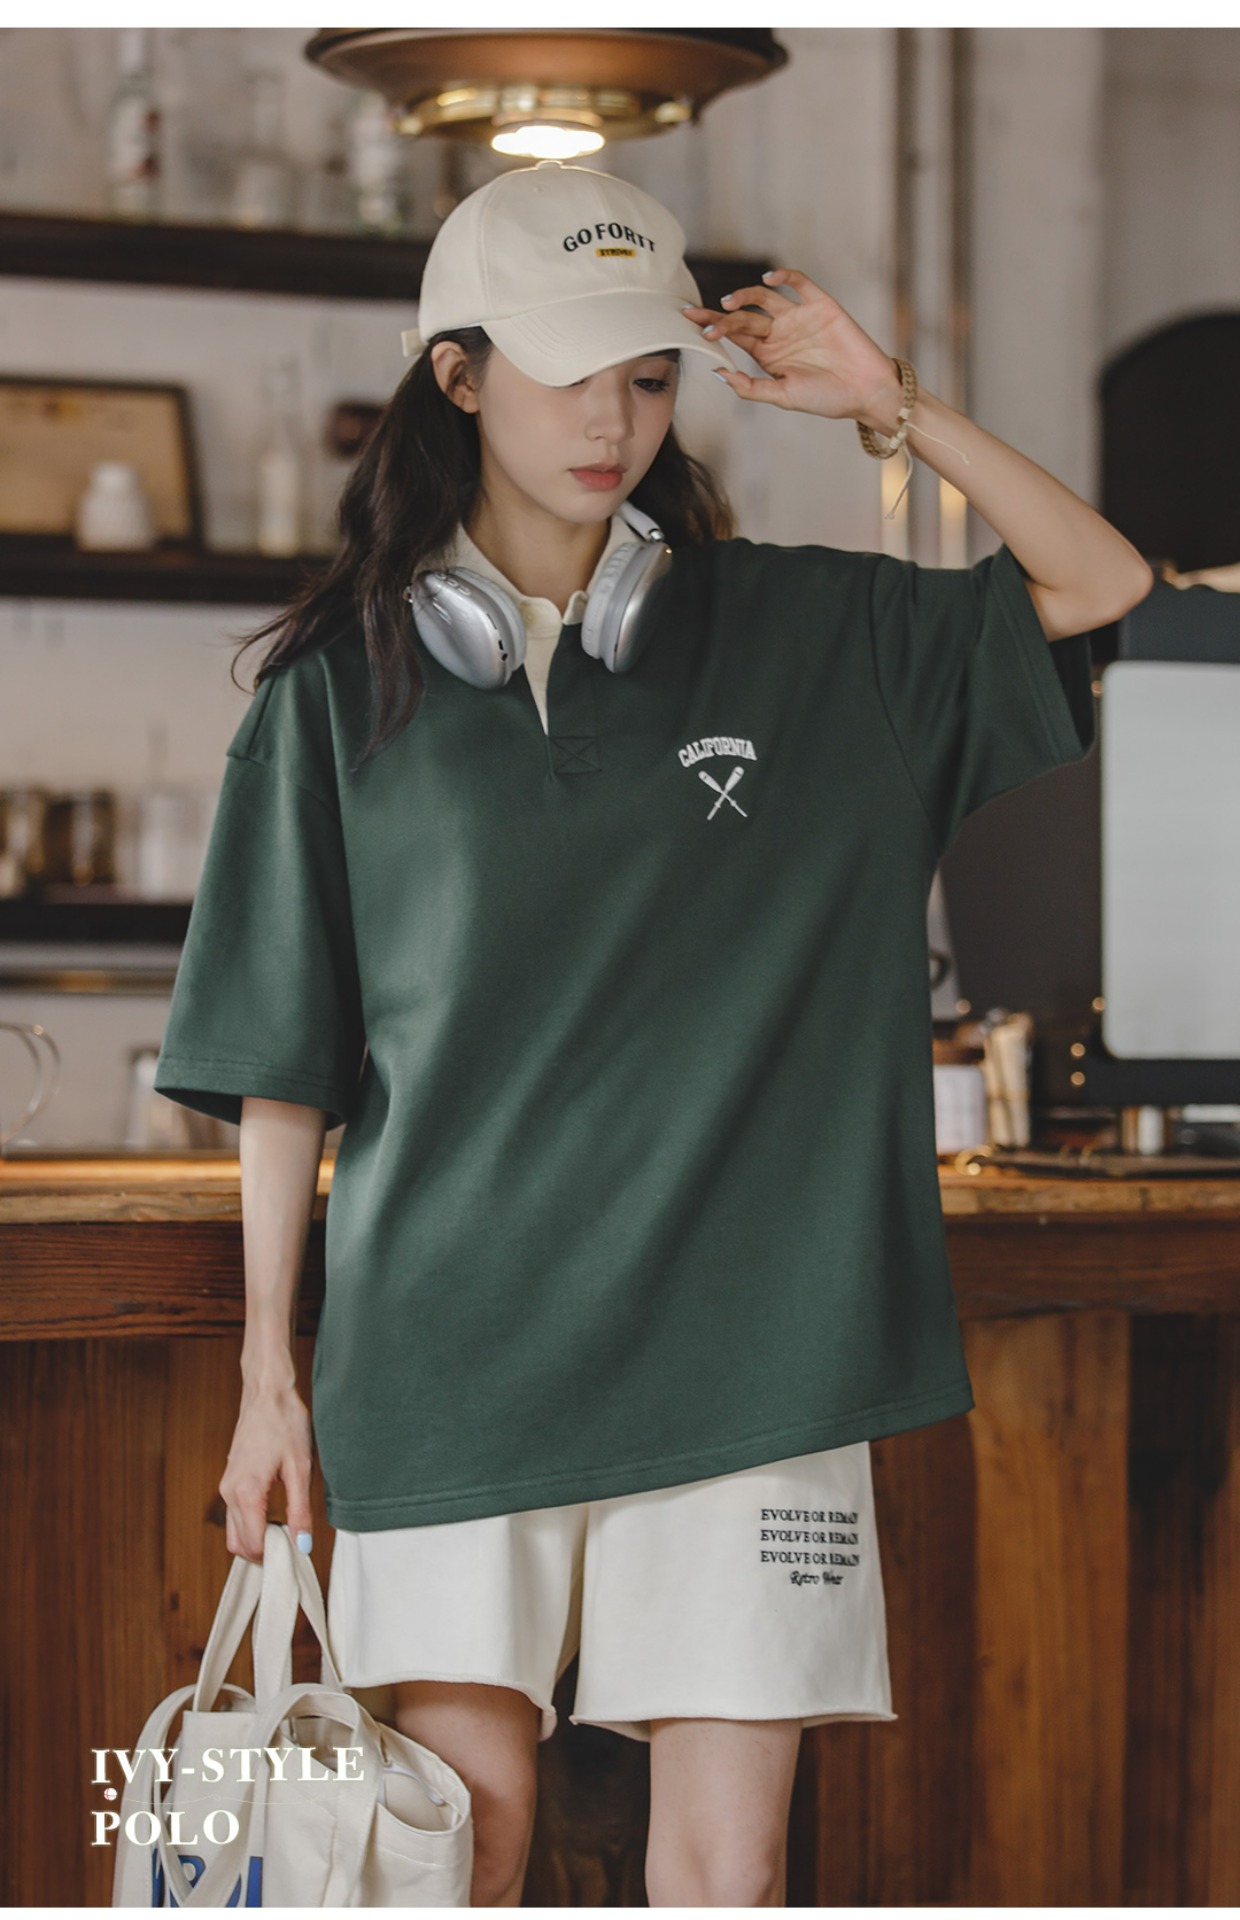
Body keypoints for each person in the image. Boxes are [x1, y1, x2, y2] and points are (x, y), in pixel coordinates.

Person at [153, 159, 1152, 1908]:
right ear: (458, 377)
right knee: (462, 1852)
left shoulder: (816, 636)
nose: (611, 421)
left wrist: (893, 405)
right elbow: (281, 1066)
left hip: (759, 1360)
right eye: (564, 375)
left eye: (646, 375)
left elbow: (1099, 581)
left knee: (722, 1874)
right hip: (452, 1352)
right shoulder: (336, 696)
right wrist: (265, 1380)